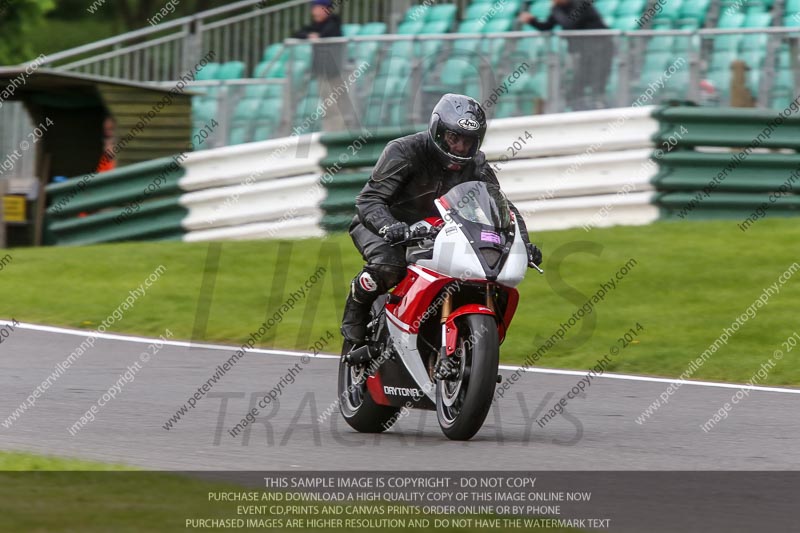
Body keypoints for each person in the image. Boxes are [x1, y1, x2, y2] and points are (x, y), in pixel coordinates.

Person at [341, 93, 543, 346]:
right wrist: (389, 227)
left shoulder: (476, 164)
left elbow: (500, 205)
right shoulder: (404, 151)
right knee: (388, 266)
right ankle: (355, 312)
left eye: (468, 141)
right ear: (438, 131)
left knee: (480, 273)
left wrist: (522, 243)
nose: (460, 147)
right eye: (453, 138)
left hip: (436, 231)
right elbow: (368, 200)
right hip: (383, 225)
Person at [519, 0, 614, 110]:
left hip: (601, 47)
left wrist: (556, 10)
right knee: (579, 81)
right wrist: (531, 20)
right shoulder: (558, 10)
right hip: (584, 50)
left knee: (597, 79)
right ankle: (578, 109)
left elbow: (570, 23)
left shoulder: (580, 4)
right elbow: (547, 26)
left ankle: (599, 107)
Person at [292, 0, 347, 131]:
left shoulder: (333, 23)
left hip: (334, 73)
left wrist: (317, 36)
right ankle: (330, 133)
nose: (314, 12)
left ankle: (337, 134)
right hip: (322, 72)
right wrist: (311, 35)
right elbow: (298, 33)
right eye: (314, 8)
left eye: (318, 8)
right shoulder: (317, 25)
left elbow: (325, 35)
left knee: (335, 106)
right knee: (327, 105)